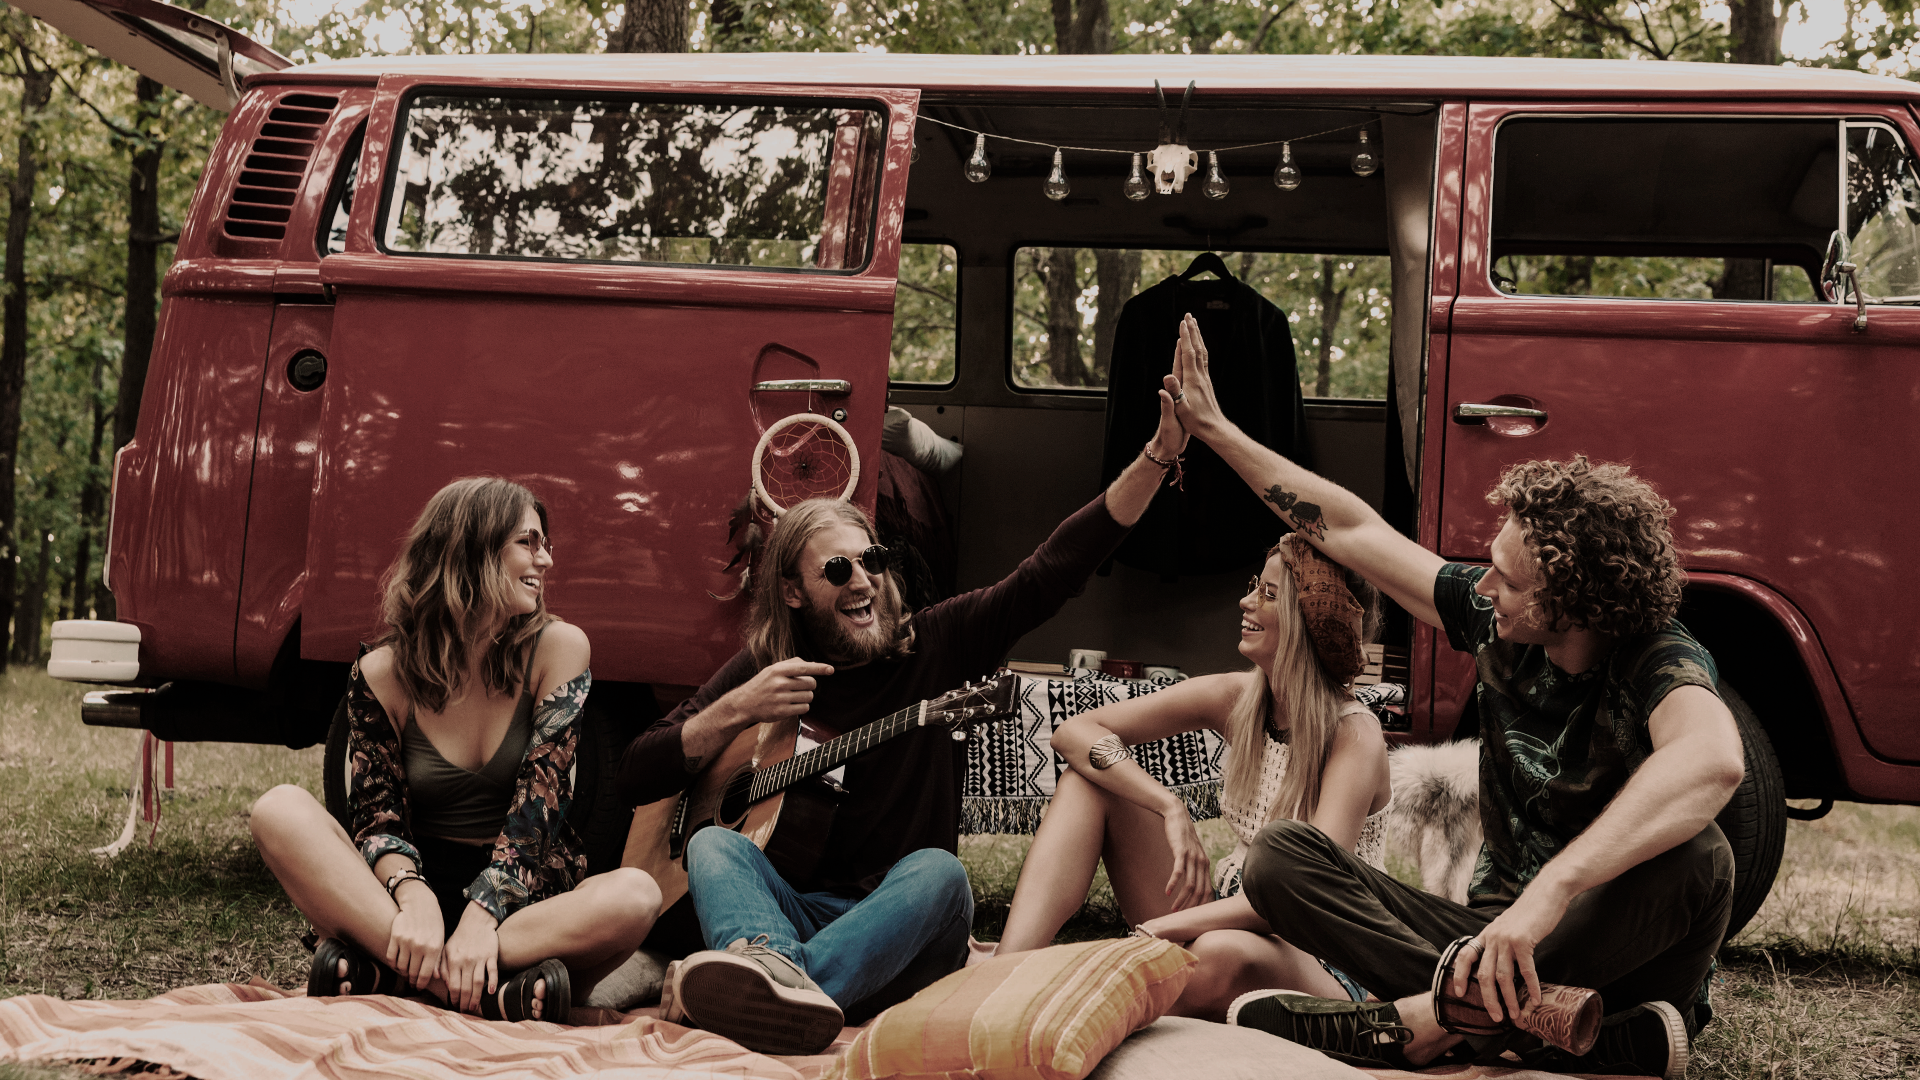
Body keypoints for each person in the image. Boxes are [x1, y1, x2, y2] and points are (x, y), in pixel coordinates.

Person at [1163, 314, 1743, 1079]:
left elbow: (1715, 762)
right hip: (1487, 941)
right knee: (1280, 858)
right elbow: (1348, 526)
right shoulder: (1500, 621)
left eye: (1507, 576)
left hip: (1609, 953)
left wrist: (1555, 889)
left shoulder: (1656, 657)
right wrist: (1215, 430)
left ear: (1569, 601)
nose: (1483, 583)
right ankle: (1579, 1038)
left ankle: (1425, 1020)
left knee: (1702, 855)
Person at [615, 390, 1192, 1055]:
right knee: (715, 846)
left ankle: (776, 985)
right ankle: (780, 978)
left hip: (904, 930)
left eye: (872, 560)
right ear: (795, 592)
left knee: (939, 872)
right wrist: (733, 711)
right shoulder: (769, 669)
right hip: (796, 912)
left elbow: (1052, 572)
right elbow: (636, 773)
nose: (862, 578)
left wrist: (1154, 458)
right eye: (837, 569)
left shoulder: (943, 642)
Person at [250, 477, 661, 1022]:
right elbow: (377, 817)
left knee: (636, 896)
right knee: (277, 809)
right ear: (474, 549)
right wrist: (411, 896)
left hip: (520, 903)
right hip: (404, 898)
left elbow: (540, 807)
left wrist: (482, 916)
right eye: (529, 542)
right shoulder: (380, 672)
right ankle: (494, 992)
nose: (548, 560)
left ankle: (394, 975)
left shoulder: (560, 648)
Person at [995, 533, 1394, 1022]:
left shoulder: (1354, 736)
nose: (1245, 601)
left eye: (1268, 595)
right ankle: (1001, 976)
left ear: (1308, 622)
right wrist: (1168, 805)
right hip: (1226, 911)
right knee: (1090, 779)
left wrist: (1166, 929)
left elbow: (1301, 896)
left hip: (1320, 950)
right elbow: (1074, 732)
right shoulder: (1239, 697)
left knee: (1221, 956)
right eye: (1254, 585)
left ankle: (1088, 996)